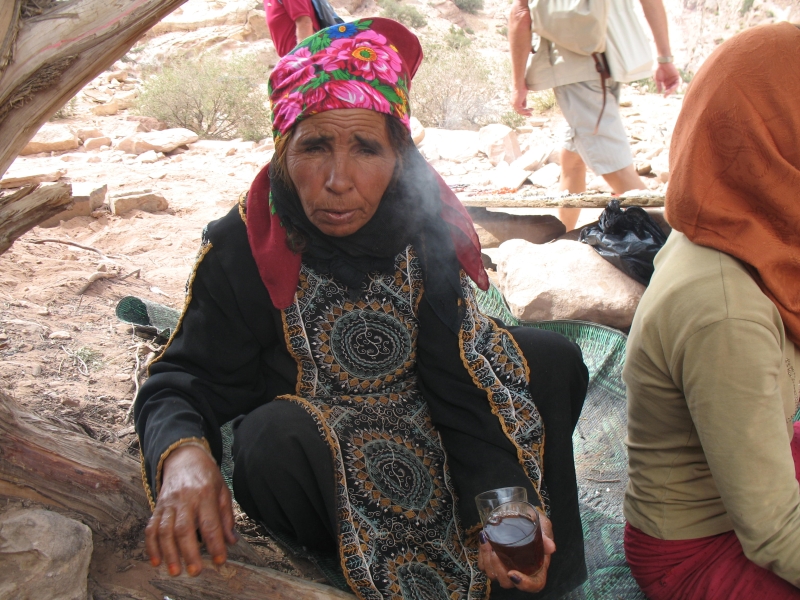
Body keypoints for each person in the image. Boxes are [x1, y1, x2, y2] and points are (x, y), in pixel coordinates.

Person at [135, 18, 590, 600]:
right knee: (268, 439)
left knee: (547, 358)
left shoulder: (419, 226)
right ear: (283, 150)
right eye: (315, 146)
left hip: (429, 407)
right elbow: (180, 379)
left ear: (397, 156)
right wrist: (185, 456)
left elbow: (460, 381)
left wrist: (504, 502)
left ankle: (538, 575)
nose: (338, 180)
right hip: (326, 440)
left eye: (366, 149)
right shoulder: (244, 243)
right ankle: (347, 564)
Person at [622, 23, 800, 599]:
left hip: (742, 494)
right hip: (698, 554)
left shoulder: (726, 219)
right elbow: (774, 533)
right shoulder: (726, 315)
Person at [508, 0, 681, 231]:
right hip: (614, 62)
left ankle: (674, 247)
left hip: (575, 71)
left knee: (620, 175)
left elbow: (520, 15)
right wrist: (665, 59)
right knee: (573, 161)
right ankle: (563, 234)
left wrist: (518, 83)